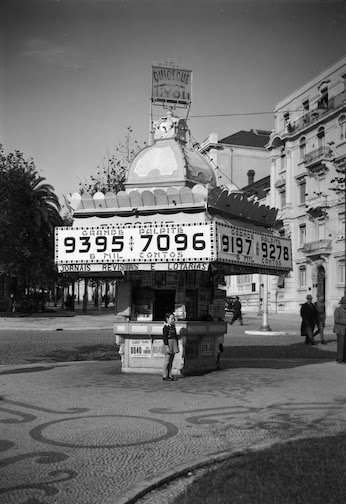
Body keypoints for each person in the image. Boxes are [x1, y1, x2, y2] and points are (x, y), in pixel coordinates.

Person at [162, 312, 179, 381]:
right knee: (167, 360)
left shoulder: (173, 327)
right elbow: (165, 337)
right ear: (167, 319)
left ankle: (169, 374)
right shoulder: (166, 327)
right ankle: (165, 375)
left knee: (171, 360)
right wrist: (166, 346)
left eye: (174, 319)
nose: (173, 320)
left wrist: (176, 344)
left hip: (173, 343)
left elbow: (176, 336)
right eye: (172, 319)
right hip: (168, 344)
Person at [333, 296, 346, 364]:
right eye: (344, 303)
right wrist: (344, 321)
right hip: (340, 330)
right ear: (341, 303)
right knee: (341, 345)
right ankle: (339, 358)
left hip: (345, 330)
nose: (345, 305)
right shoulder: (338, 310)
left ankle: (344, 358)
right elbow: (336, 320)